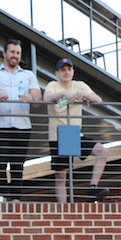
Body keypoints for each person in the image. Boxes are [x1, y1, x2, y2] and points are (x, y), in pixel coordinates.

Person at [0, 40, 41, 200]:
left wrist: (31, 97)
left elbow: (38, 100)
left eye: (18, 53)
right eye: (12, 52)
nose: (15, 56)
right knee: (0, 162)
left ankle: (15, 199)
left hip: (22, 126)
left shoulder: (28, 75)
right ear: (4, 54)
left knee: (18, 164)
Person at [43, 58, 109, 203]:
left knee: (102, 152)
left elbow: (98, 99)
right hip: (58, 135)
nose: (66, 72)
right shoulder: (53, 85)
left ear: (73, 71)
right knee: (61, 175)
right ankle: (64, 209)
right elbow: (46, 97)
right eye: (63, 70)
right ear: (57, 73)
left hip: (74, 133)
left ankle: (93, 188)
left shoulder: (79, 85)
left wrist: (84, 95)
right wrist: (63, 95)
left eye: (69, 69)